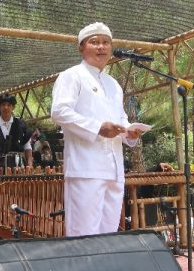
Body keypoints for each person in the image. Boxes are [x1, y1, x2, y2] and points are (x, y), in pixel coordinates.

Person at [51, 22, 142, 236]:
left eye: (106, 42)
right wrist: (97, 128)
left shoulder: (114, 84)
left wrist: (129, 132)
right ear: (81, 48)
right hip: (86, 169)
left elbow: (120, 118)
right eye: (94, 42)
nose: (101, 47)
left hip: (114, 170)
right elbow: (59, 112)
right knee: (84, 236)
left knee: (108, 236)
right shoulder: (72, 75)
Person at [0, 93, 33, 170]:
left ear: (13, 107)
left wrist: (30, 166)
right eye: (3, 105)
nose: (6, 107)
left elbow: (27, 148)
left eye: (9, 105)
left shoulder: (21, 125)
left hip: (19, 168)